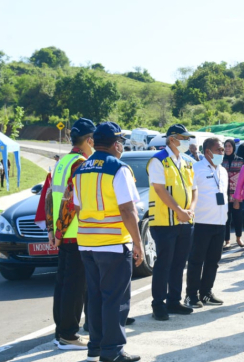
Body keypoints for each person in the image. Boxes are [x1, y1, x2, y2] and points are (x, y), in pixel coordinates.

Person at [73, 122, 145, 362]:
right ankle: (112, 350)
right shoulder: (118, 168)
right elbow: (127, 210)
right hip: (113, 243)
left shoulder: (81, 168)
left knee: (94, 296)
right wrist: (138, 243)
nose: (121, 146)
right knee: (116, 298)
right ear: (116, 143)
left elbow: (76, 207)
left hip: (87, 243)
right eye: (121, 142)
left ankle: (95, 346)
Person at [44, 118, 96, 350]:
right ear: (90, 140)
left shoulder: (63, 161)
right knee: (75, 287)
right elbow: (69, 203)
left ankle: (60, 333)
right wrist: (61, 229)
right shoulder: (81, 163)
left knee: (63, 285)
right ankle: (68, 335)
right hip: (75, 233)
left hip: (63, 234)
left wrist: (52, 231)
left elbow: (48, 198)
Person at [147, 124, 198, 321]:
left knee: (179, 262)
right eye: (182, 138)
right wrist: (179, 211)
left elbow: (194, 189)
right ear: (171, 139)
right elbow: (160, 190)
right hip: (164, 221)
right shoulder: (158, 160)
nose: (186, 142)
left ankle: (174, 301)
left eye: (187, 138)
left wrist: (190, 210)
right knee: (164, 264)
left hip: (185, 220)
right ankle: (158, 304)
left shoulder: (186, 161)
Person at [185, 137, 229, 308]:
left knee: (213, 261)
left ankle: (206, 293)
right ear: (207, 152)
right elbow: (190, 194)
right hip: (202, 222)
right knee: (196, 261)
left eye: (222, 150)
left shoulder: (223, 171)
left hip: (220, 222)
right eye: (218, 149)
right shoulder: (196, 169)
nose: (222, 152)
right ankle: (191, 295)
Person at [222, 139, 244, 248]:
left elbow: (243, 178)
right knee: (226, 218)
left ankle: (239, 238)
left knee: (238, 218)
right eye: (226, 146)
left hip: (237, 195)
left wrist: (240, 195)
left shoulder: (240, 161)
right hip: (224, 195)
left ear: (233, 147)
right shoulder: (221, 161)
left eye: (229, 146)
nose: (227, 148)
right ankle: (227, 240)